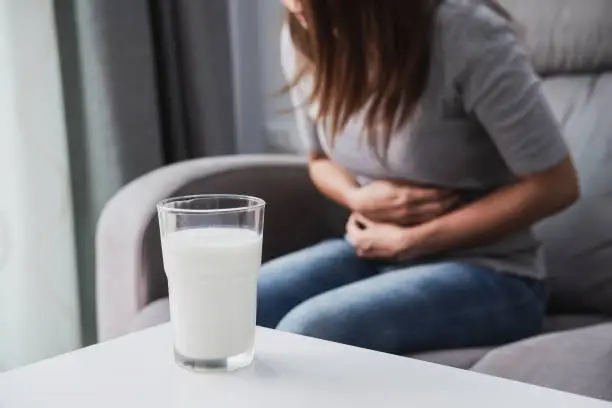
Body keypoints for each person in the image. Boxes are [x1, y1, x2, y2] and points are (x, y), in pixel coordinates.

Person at [257, 0, 579, 355]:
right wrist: (356, 198)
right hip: (372, 253)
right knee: (228, 306)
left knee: (307, 332)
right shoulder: (306, 29)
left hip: (493, 272)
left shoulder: (465, 31)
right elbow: (317, 160)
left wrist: (414, 240)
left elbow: (556, 184)